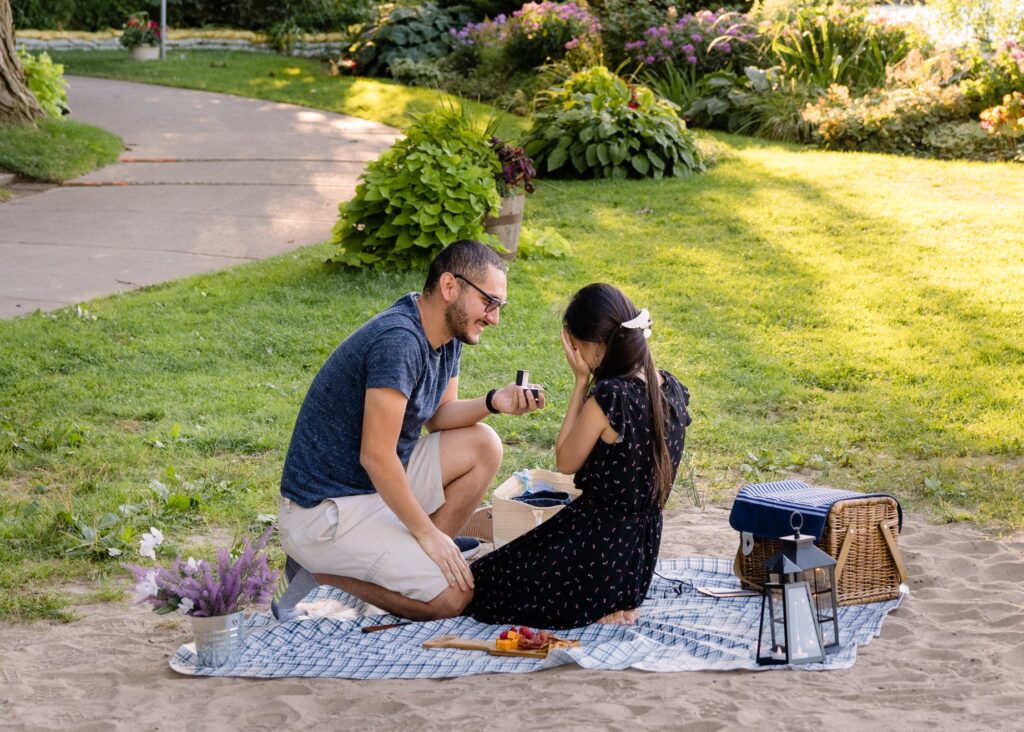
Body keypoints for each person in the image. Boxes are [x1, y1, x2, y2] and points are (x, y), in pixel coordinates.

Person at [274, 240, 543, 621]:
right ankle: (318, 574)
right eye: (489, 303)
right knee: (452, 598)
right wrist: (429, 535)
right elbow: (376, 455)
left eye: (499, 306)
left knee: (484, 444)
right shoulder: (399, 341)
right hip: (325, 513)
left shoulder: (446, 332)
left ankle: (421, 561)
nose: (494, 318)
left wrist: (493, 401)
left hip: (371, 489)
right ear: (450, 287)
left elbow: (440, 415)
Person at [463, 283, 691, 629]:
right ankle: (611, 605)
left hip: (593, 556)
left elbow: (565, 461)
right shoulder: (670, 388)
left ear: (592, 345)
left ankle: (594, 606)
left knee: (480, 584)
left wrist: (580, 382)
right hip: (635, 564)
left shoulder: (610, 396)